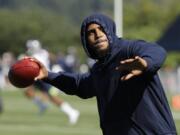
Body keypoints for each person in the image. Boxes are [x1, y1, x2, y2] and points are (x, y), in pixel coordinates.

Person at [29, 14, 177, 135]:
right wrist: (48, 75)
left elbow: (157, 51)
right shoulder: (99, 70)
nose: (98, 35)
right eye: (91, 32)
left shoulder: (129, 49)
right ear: (85, 40)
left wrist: (146, 63)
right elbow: (81, 84)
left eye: (101, 29)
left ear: (110, 30)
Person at [24, 39, 80, 125]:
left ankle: (72, 112)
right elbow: (53, 58)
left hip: (45, 78)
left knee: (53, 97)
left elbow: (50, 60)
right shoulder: (43, 52)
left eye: (29, 47)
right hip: (38, 78)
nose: (28, 49)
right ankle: (42, 105)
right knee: (28, 92)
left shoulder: (36, 56)